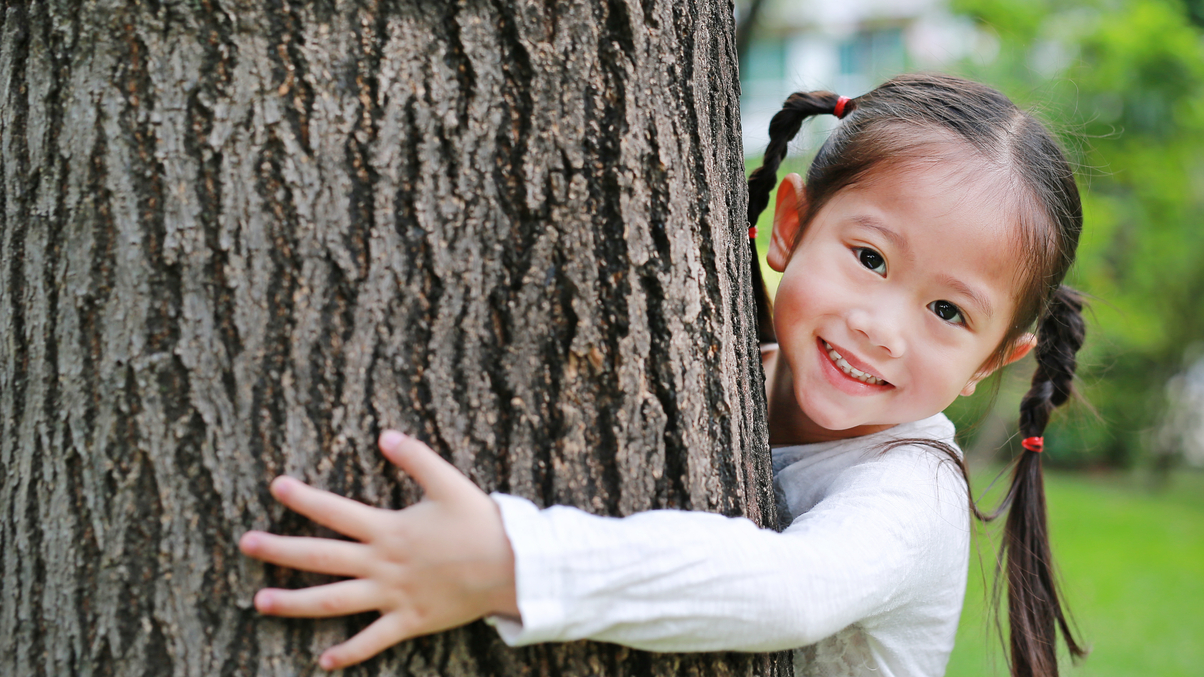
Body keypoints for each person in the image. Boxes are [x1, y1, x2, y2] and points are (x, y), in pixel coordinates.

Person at [238, 73, 1088, 677]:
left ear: (991, 361)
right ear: (790, 224)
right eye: (869, 257)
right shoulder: (730, 372)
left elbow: (792, 590)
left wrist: (508, 563)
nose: (882, 326)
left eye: (948, 312)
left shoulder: (913, 490)